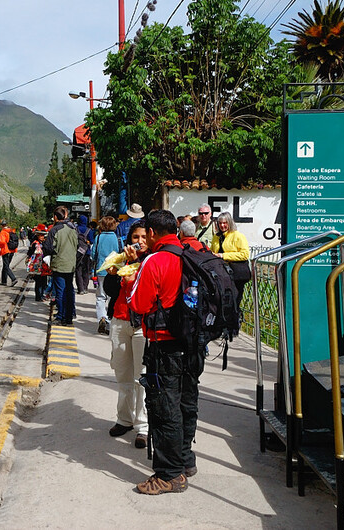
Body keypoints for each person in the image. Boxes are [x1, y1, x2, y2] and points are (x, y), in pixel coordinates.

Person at [129, 209, 201, 495]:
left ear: (151, 234)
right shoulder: (192, 253)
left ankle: (169, 476)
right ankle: (185, 461)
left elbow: (139, 304)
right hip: (194, 344)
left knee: (164, 409)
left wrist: (135, 268)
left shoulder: (155, 260)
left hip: (165, 345)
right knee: (187, 402)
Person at [105, 220, 149, 449]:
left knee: (141, 377)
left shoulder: (151, 261)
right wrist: (113, 274)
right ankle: (124, 419)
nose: (139, 242)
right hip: (120, 320)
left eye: (143, 237)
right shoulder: (120, 257)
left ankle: (143, 427)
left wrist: (135, 264)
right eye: (135, 237)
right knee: (122, 375)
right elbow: (110, 292)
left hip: (142, 324)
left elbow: (145, 290)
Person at [43, 206, 77, 326]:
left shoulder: (55, 230)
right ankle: (70, 316)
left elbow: (48, 247)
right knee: (69, 289)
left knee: (60, 290)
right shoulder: (73, 228)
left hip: (59, 264)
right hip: (71, 264)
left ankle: (61, 316)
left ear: (56, 217)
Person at [210, 211, 251, 312]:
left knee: (234, 301)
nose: (222, 225)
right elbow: (212, 251)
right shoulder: (217, 237)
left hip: (235, 274)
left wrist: (224, 256)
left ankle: (234, 323)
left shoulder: (238, 236)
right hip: (220, 274)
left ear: (230, 223)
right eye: (220, 223)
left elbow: (244, 254)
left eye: (225, 223)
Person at [91, 216, 121, 335]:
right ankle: (110, 319)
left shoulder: (98, 238)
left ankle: (101, 318)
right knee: (113, 295)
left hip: (101, 270)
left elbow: (93, 255)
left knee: (101, 296)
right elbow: (121, 253)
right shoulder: (117, 238)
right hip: (115, 271)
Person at [26, 225, 51, 301]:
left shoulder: (43, 243)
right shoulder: (35, 244)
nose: (43, 237)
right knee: (39, 281)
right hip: (37, 265)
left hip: (43, 265)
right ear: (38, 235)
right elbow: (32, 253)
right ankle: (38, 296)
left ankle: (42, 295)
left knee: (43, 281)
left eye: (44, 235)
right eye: (41, 235)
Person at [75, 215, 95, 294]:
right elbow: (92, 241)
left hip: (78, 252)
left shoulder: (75, 229)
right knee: (86, 270)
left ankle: (80, 289)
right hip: (86, 252)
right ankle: (85, 287)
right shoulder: (88, 230)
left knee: (78, 270)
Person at [0, 220, 18, 286]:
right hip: (12, 250)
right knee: (5, 265)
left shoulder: (3, 232)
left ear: (1, 225)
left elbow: (2, 242)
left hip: (5, 250)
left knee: (6, 266)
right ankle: (4, 281)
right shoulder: (11, 230)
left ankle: (13, 278)